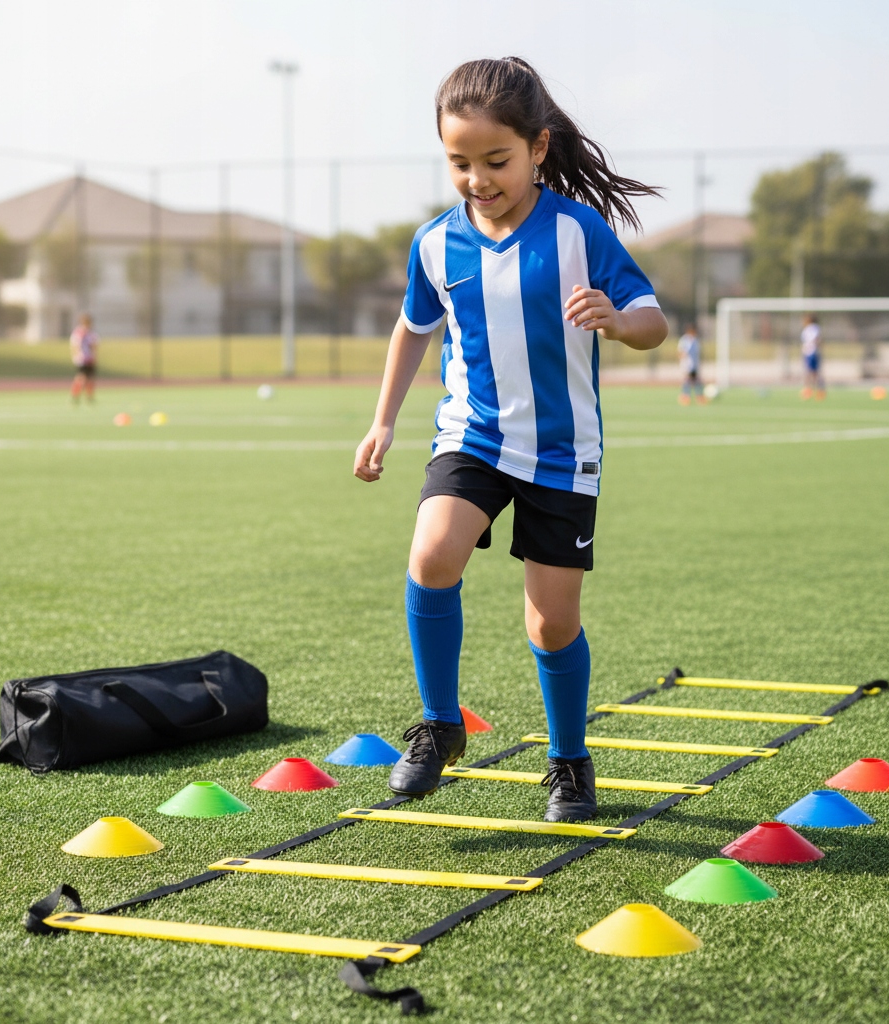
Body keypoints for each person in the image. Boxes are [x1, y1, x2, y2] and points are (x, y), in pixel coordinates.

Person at [353, 57, 668, 823]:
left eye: (496, 160)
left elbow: (654, 321)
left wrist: (617, 320)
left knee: (551, 623)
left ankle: (569, 761)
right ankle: (440, 725)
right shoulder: (436, 243)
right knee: (432, 554)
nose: (478, 179)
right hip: (474, 436)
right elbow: (413, 328)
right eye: (459, 162)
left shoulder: (576, 231)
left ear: (538, 148)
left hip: (563, 452)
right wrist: (383, 419)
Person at [69, 313, 99, 403]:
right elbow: (76, 345)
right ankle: (76, 395)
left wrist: (94, 356)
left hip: (88, 358)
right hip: (83, 358)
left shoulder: (89, 333)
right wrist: (77, 355)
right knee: (82, 378)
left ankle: (88, 396)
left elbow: (93, 346)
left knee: (89, 378)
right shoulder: (81, 333)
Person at [677, 322, 706, 405]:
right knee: (688, 381)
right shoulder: (684, 340)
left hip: (694, 365)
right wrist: (683, 357)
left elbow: (697, 354)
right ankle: (686, 397)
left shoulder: (695, 340)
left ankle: (698, 397)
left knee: (696, 381)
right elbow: (680, 352)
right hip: (687, 365)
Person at [800, 314, 824, 399]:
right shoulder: (808, 329)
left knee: (812, 372)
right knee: (811, 372)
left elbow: (816, 339)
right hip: (809, 352)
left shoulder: (813, 328)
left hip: (811, 352)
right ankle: (811, 390)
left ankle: (817, 390)